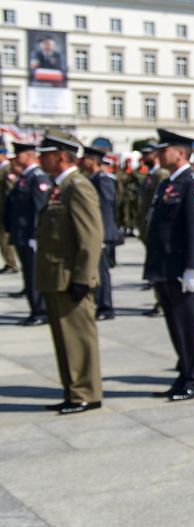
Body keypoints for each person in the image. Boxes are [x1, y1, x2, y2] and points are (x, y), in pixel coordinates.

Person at [34, 131, 104, 415]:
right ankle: (73, 391)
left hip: (70, 277)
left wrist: (82, 278)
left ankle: (86, 393)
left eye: (46, 155)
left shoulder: (78, 186)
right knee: (65, 340)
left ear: (62, 157)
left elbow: (90, 237)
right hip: (56, 277)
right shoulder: (60, 187)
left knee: (78, 337)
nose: (40, 159)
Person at [144, 129, 194, 402]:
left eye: (164, 151)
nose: (159, 155)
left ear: (180, 153)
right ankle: (184, 374)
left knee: (190, 326)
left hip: (182, 267)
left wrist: (193, 268)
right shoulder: (167, 184)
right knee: (176, 325)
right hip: (164, 266)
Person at [6, 141, 51, 326]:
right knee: (28, 273)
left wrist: (36, 235)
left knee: (34, 275)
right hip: (22, 233)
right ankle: (36, 309)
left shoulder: (37, 177)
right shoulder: (26, 176)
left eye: (20, 154)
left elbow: (39, 209)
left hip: (31, 235)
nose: (16, 158)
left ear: (30, 155)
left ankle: (40, 311)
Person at [81, 146, 120, 321]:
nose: (82, 162)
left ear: (93, 161)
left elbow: (106, 208)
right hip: (97, 232)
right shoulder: (93, 178)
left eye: (86, 158)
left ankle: (106, 306)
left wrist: (101, 234)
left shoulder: (102, 179)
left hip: (102, 233)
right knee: (96, 270)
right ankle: (100, 303)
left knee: (102, 271)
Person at [136, 142, 169, 317]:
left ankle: (161, 303)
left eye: (147, 154)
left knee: (158, 263)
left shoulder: (160, 174)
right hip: (147, 224)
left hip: (153, 225)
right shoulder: (152, 174)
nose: (144, 157)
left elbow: (156, 203)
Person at [0, 147, 20, 274]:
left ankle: (12, 264)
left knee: (5, 238)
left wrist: (9, 209)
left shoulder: (7, 169)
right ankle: (9, 262)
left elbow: (9, 190)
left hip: (4, 210)